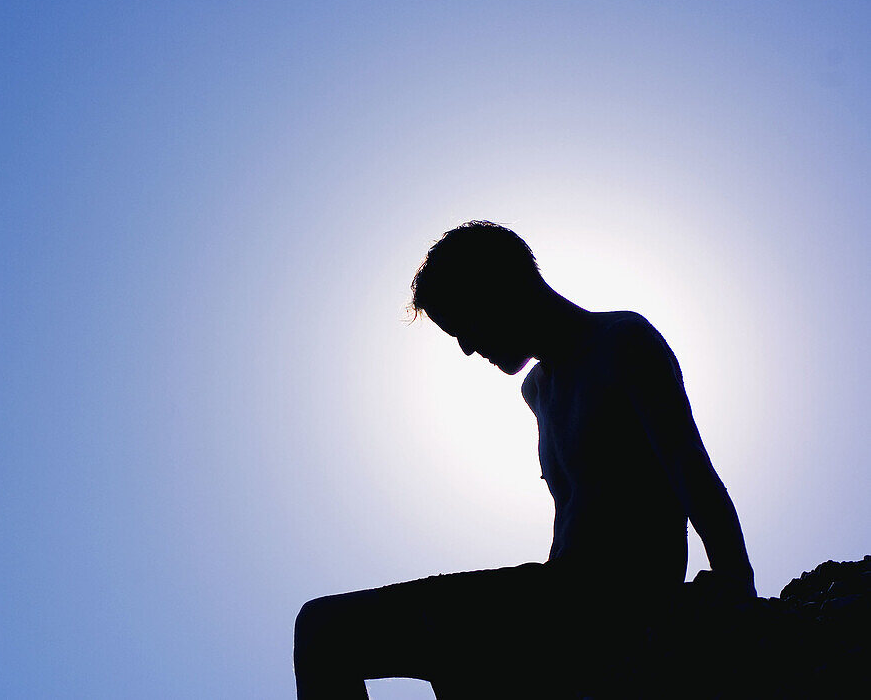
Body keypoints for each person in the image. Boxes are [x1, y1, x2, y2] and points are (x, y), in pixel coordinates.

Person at [293, 221, 756, 698]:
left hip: (617, 601)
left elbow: (688, 467)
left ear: (501, 287)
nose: (468, 347)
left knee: (324, 628)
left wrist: (739, 586)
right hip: (557, 606)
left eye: (465, 324)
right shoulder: (536, 391)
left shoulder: (623, 340)